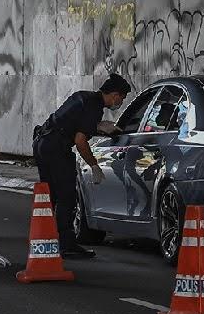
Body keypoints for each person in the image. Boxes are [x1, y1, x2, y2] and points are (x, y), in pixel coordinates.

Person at [32, 74, 132, 260]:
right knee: (67, 196)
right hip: (56, 147)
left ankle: (43, 240)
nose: (120, 102)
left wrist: (97, 127)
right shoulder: (95, 107)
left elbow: (72, 122)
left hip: (42, 143)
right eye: (122, 98)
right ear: (115, 95)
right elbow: (80, 141)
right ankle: (67, 245)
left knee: (50, 196)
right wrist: (94, 166)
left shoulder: (83, 97)